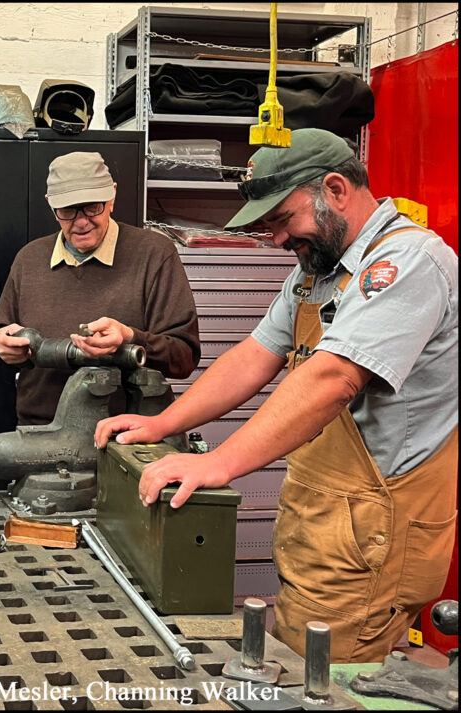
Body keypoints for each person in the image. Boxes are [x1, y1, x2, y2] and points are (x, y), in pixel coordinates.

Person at [95, 128, 458, 662]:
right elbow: (255, 354)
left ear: (336, 189)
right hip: (324, 522)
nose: (279, 241)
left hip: (373, 534)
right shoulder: (319, 271)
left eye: (283, 221)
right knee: (296, 663)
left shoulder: (405, 264)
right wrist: (161, 424)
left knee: (327, 687)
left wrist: (219, 463)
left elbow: (332, 379)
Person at [0, 151, 200, 425]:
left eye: (92, 206)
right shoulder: (29, 259)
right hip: (40, 428)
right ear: (51, 205)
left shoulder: (153, 254)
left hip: (127, 433)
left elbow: (183, 357)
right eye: (67, 210)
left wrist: (129, 337)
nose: (81, 221)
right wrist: (0, 345)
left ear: (111, 197)